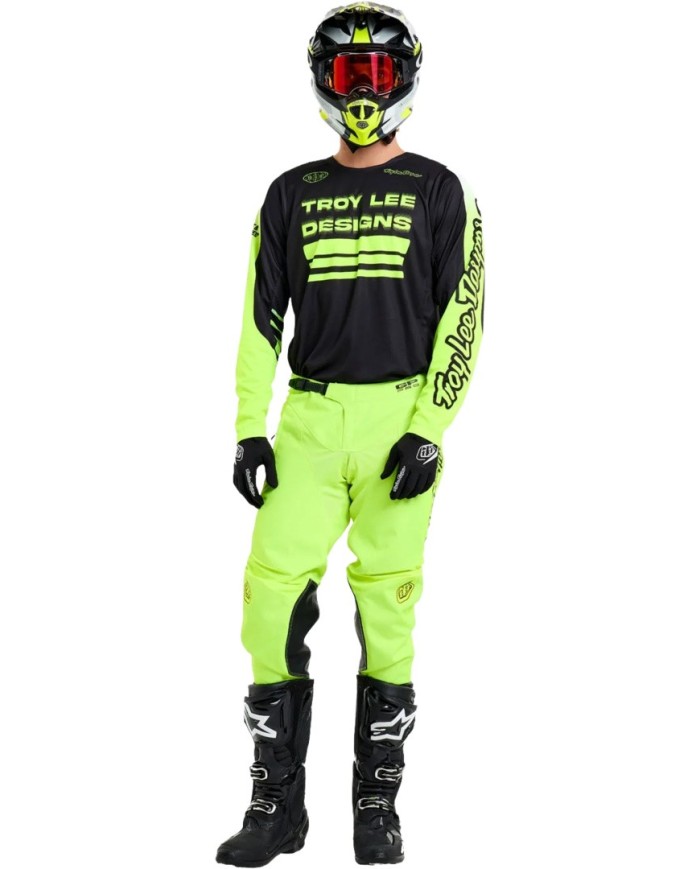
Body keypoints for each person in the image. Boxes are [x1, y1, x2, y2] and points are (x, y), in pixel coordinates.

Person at [216, 3, 485, 865]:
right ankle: (275, 807)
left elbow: (465, 316)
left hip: (399, 420)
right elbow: (259, 316)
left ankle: (378, 806)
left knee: (389, 607)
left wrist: (430, 428)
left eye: (376, 74)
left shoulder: (441, 190)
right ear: (321, 82)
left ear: (405, 79)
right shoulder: (288, 193)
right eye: (346, 74)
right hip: (308, 420)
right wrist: (249, 428)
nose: (362, 91)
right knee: (269, 598)